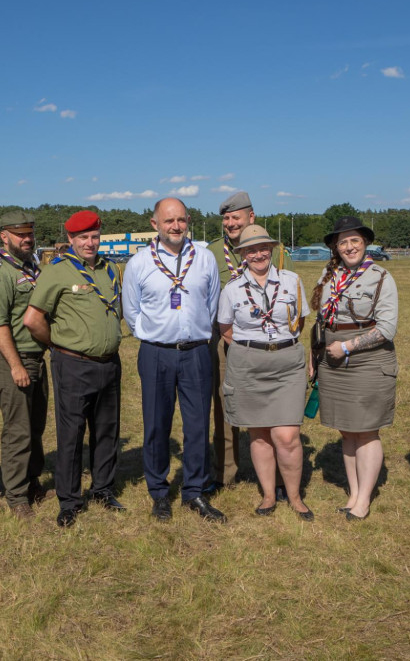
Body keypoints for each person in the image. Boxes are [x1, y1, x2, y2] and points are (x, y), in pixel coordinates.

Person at [123, 198, 224, 523]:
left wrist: (195, 333)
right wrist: (154, 335)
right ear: (155, 224)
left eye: (181, 220)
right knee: (156, 425)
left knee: (197, 425)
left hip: (196, 352)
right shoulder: (139, 262)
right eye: (169, 221)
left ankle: (194, 492)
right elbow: (131, 311)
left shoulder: (205, 258)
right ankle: (159, 492)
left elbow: (211, 305)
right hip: (156, 354)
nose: (176, 226)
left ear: (188, 220)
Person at [24, 209, 125, 528]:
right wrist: (57, 345)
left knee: (107, 430)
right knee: (71, 433)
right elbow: (32, 319)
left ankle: (103, 489)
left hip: (109, 363)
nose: (90, 243)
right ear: (70, 239)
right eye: (83, 237)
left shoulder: (110, 269)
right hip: (73, 364)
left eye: (94, 237)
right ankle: (69, 500)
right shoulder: (57, 271)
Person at [217, 225, 312, 519]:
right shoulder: (232, 288)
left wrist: (279, 344)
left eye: (262, 248)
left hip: (286, 364)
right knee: (258, 435)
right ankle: (269, 495)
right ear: (242, 254)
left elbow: (300, 321)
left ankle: (295, 497)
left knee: (287, 435)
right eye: (250, 249)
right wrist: (253, 349)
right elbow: (226, 329)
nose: (257, 254)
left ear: (270, 250)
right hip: (249, 364)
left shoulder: (291, 281)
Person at [310, 216, 398, 521]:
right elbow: (320, 320)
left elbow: (387, 328)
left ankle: (364, 499)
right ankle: (353, 493)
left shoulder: (381, 277)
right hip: (332, 360)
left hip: (368, 360)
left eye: (355, 241)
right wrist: (316, 356)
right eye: (343, 241)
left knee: (366, 431)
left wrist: (348, 346)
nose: (349, 247)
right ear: (335, 246)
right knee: (346, 431)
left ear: (365, 243)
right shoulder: (329, 274)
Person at [205, 191, 292, 496]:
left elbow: (291, 298)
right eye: (226, 218)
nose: (230, 223)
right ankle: (224, 473)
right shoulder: (211, 252)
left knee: (270, 406)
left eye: (235, 217)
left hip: (267, 342)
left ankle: (278, 479)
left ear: (251, 217)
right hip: (225, 340)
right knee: (224, 405)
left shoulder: (275, 251)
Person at [0, 210, 51, 520]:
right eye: (20, 234)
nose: (27, 239)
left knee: (35, 427)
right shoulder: (0, 274)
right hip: (15, 361)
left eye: (29, 233)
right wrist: (15, 365)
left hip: (36, 358)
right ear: (4, 237)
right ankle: (16, 495)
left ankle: (32, 482)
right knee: (18, 431)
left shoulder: (30, 267)